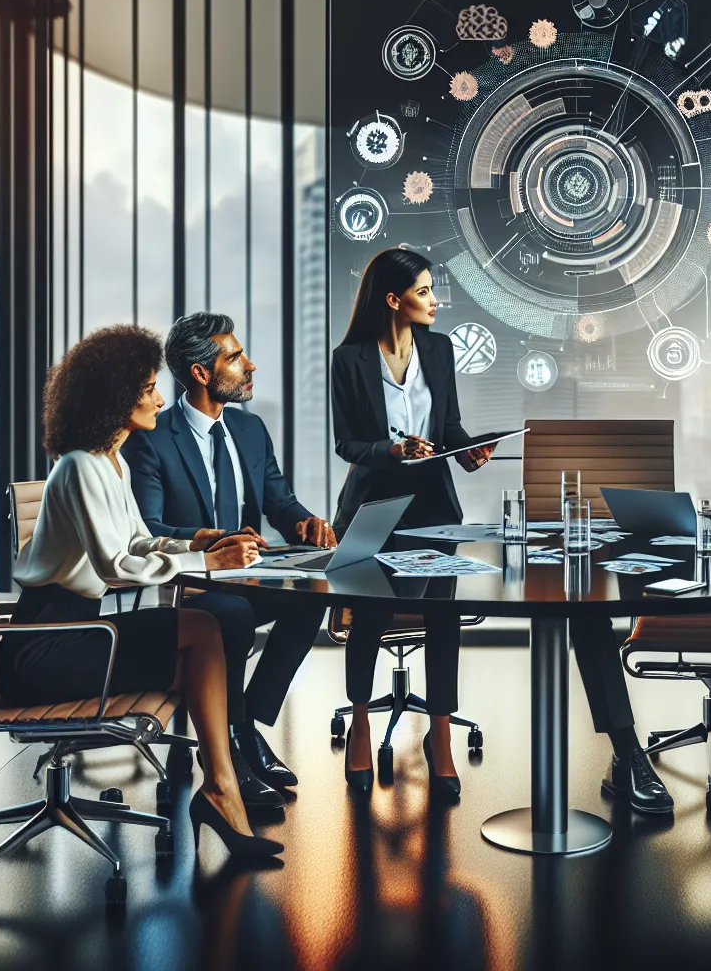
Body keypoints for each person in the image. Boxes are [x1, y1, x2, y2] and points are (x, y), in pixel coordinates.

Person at [4, 325, 281, 859]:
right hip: (47, 646)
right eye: (148, 387)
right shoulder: (80, 466)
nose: (160, 397)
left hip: (85, 632)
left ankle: (223, 786)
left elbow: (134, 540)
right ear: (116, 397)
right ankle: (224, 788)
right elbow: (114, 566)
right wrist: (205, 560)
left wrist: (190, 540)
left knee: (205, 634)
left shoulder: (112, 460)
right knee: (202, 631)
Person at [122, 312, 334, 800]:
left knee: (312, 599)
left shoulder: (251, 429)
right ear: (200, 373)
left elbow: (279, 501)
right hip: (195, 585)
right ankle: (233, 755)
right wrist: (214, 542)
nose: (250, 365)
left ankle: (246, 726)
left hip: (253, 576)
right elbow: (149, 531)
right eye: (235, 358)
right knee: (232, 616)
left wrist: (306, 523)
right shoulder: (152, 437)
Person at [330, 247, 495, 798]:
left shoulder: (439, 349)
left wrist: (469, 449)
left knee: (441, 618)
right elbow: (347, 444)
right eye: (424, 291)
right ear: (393, 300)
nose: (434, 300)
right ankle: (360, 722)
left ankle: (440, 736)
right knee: (372, 617)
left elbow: (448, 426)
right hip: (375, 505)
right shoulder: (349, 358)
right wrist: (392, 450)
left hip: (433, 507)